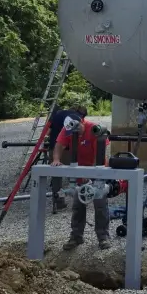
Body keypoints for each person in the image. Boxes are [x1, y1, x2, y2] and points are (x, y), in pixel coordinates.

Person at [50, 114, 112, 251]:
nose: (73, 134)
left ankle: (103, 237)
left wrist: (91, 174)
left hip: (97, 171)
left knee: (100, 203)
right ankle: (76, 237)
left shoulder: (94, 129)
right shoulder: (67, 129)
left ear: (82, 122)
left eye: (76, 131)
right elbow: (59, 145)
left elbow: (101, 155)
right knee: (78, 205)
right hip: (78, 172)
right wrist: (56, 159)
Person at [42, 104, 87, 211]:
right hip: (67, 148)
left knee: (56, 177)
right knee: (75, 173)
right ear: (82, 113)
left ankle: (58, 202)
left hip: (54, 148)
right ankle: (81, 198)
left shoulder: (58, 114)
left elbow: (48, 131)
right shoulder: (76, 117)